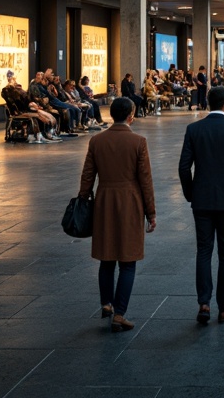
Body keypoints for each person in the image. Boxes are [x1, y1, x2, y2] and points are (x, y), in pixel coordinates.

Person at [78, 97, 156, 332]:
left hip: (104, 201)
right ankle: (120, 313)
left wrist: (83, 200)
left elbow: (87, 176)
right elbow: (145, 180)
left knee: (107, 257)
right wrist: (151, 212)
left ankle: (106, 303)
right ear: (131, 115)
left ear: (111, 115)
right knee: (128, 261)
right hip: (130, 201)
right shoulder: (138, 142)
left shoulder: (97, 141)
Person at [178, 85, 224, 325]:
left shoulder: (194, 130)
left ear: (208, 103)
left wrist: (191, 194)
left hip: (202, 200)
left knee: (204, 250)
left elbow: (183, 167)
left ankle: (204, 303)